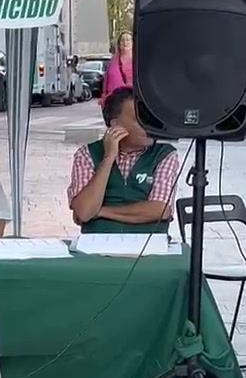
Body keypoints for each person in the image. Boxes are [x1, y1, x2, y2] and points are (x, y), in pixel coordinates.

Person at [68, 86, 179, 233]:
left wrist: (99, 212)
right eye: (139, 120)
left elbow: (160, 209)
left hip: (149, 245)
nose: (149, 126)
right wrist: (108, 159)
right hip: (97, 244)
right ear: (116, 125)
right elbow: (84, 211)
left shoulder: (164, 154)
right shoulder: (87, 154)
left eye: (150, 118)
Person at [100, 31, 133, 105]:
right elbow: (107, 79)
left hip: (131, 100)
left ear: (133, 42)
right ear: (119, 43)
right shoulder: (113, 60)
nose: (125, 42)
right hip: (114, 100)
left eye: (128, 40)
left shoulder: (137, 60)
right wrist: (104, 96)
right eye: (122, 40)